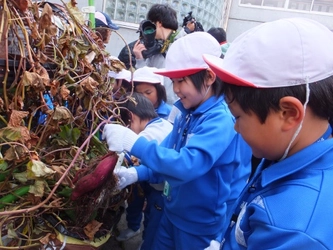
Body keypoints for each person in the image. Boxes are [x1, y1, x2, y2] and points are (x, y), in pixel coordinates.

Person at [102, 32, 252, 249]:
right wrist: (137, 173)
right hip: (172, 210)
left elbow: (185, 165)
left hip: (200, 224)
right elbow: (167, 155)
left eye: (182, 81)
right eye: (173, 81)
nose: (176, 89)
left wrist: (134, 143)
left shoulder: (220, 119)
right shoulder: (186, 112)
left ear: (209, 77)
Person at [203, 18, 333, 249]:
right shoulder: (287, 150)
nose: (235, 127)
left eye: (238, 117)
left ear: (288, 114)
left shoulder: (294, 232)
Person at [116, 66, 172, 243]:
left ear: (131, 117)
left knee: (155, 230)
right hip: (159, 188)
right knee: (150, 219)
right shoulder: (159, 124)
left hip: (162, 192)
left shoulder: (147, 134)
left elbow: (134, 154)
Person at [132, 4, 184, 105]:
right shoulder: (157, 47)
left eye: (151, 24)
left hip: (175, 107)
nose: (149, 29)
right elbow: (147, 79)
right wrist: (140, 58)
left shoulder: (182, 44)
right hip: (159, 106)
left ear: (159, 23)